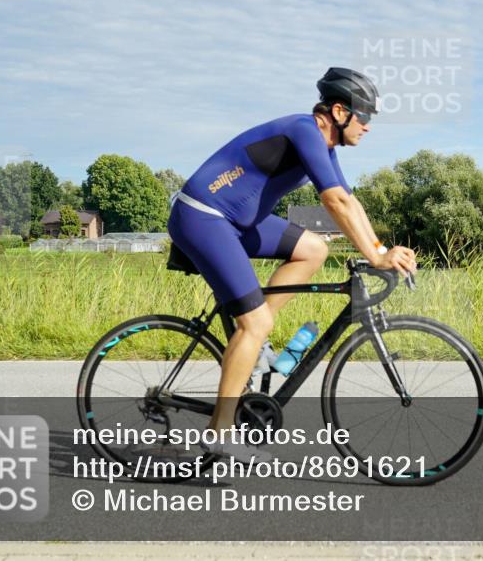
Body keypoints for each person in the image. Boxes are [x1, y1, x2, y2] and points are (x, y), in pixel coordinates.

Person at [166, 67, 417, 459]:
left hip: (235, 221)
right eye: (365, 116)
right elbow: (333, 202)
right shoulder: (305, 131)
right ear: (339, 112)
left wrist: (380, 248)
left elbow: (350, 201)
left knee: (314, 249)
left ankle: (254, 343)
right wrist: (376, 257)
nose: (368, 126)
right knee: (254, 323)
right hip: (203, 217)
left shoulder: (325, 146)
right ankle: (220, 432)